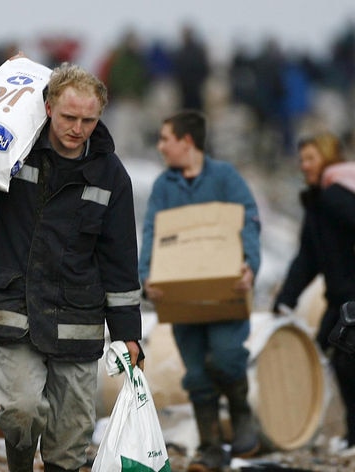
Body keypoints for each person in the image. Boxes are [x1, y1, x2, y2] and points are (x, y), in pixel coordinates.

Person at [0, 60, 143, 471]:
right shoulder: (12, 151)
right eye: (70, 117)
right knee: (18, 411)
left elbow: (121, 261)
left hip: (78, 317)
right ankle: (19, 463)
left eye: (89, 121)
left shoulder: (111, 176)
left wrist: (129, 334)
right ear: (48, 108)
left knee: (69, 438)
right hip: (15, 305)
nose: (78, 129)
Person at [139, 110, 261, 471]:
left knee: (226, 357)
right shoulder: (164, 186)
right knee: (196, 375)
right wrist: (148, 276)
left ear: (187, 141)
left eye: (165, 138)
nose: (161, 146)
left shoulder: (225, 178)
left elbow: (249, 220)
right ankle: (211, 448)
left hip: (225, 293)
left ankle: (240, 413)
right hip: (183, 300)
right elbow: (152, 232)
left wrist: (250, 266)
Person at [272, 132, 355, 448]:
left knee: (346, 363)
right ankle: (351, 434)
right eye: (301, 159)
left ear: (327, 158)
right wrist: (286, 299)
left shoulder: (336, 198)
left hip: (350, 299)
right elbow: (308, 258)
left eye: (310, 159)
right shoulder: (320, 201)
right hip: (340, 300)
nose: (303, 166)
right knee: (336, 358)